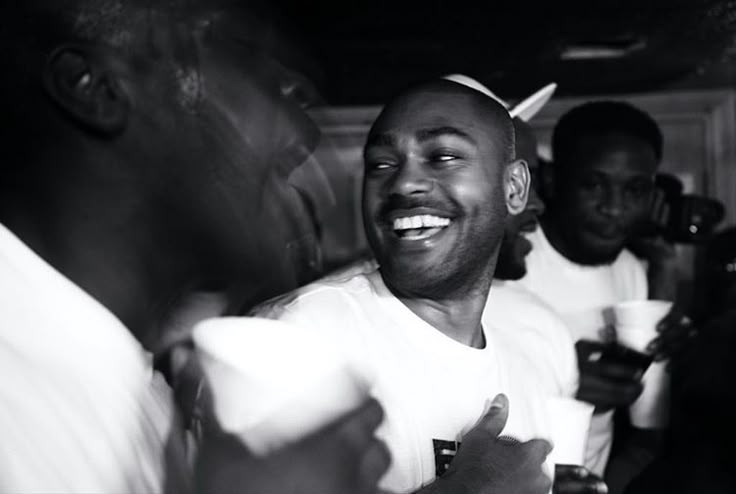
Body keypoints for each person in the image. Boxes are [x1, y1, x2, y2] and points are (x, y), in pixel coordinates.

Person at [0, 1, 388, 492]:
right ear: (95, 87)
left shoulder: (132, 389)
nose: (296, 83)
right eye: (238, 46)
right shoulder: (15, 399)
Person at [253, 77, 555, 494]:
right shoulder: (301, 337)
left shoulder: (525, 377)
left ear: (514, 188)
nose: (403, 183)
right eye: (382, 164)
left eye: (443, 156)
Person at [516, 101, 685, 482]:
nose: (614, 208)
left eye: (635, 190)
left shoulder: (631, 271)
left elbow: (644, 428)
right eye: (594, 184)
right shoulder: (510, 263)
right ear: (552, 180)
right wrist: (562, 383)